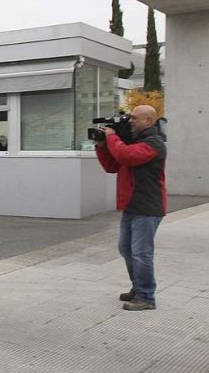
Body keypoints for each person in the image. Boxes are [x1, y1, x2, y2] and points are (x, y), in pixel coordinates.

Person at [96, 104, 166, 311]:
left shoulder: (155, 143)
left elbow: (126, 156)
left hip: (147, 207)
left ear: (149, 121)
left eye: (135, 118)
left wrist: (111, 137)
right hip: (132, 206)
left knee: (141, 253)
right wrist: (101, 146)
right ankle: (139, 287)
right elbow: (112, 166)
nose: (130, 121)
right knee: (126, 248)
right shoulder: (133, 142)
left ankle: (146, 297)